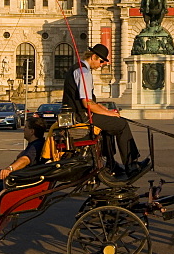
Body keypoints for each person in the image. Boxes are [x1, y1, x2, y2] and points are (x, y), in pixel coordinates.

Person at [62, 43, 148, 179]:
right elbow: (87, 103)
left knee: (110, 125)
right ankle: (131, 165)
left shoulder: (80, 69)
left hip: (77, 115)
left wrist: (106, 110)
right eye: (101, 61)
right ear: (94, 57)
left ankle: (111, 164)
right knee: (121, 125)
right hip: (80, 117)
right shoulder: (84, 72)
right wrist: (109, 114)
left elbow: (92, 102)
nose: (102, 65)